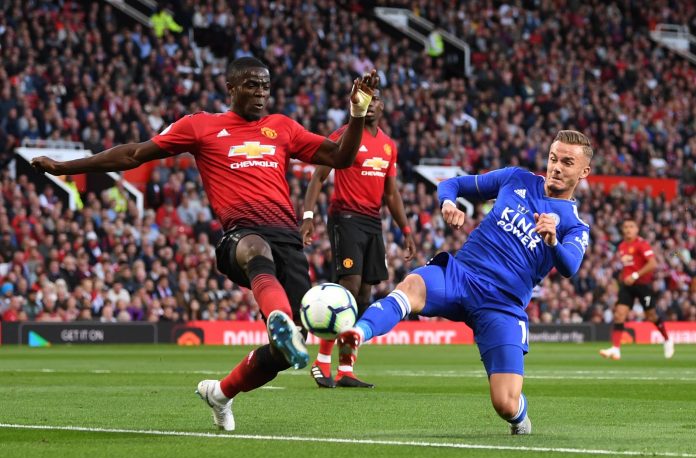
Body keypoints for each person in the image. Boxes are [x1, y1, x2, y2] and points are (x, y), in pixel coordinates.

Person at [31, 56, 379, 431]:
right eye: (250, 84)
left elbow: (342, 157)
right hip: (239, 236)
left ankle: (220, 393)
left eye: (264, 85)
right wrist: (66, 168)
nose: (260, 92)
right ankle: (276, 317)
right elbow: (133, 154)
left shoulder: (282, 128)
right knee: (255, 250)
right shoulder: (201, 126)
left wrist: (357, 113)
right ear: (231, 88)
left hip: (288, 242)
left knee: (283, 353)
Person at [336, 130, 594, 435]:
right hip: (461, 276)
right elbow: (452, 184)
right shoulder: (516, 179)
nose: (557, 167)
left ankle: (520, 419)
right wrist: (448, 203)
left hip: (503, 305)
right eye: (553, 158)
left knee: (505, 403)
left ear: (583, 171)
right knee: (411, 287)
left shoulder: (575, 226)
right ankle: (358, 333)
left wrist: (552, 241)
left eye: (567, 162)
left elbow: (570, 267)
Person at [300, 89, 416, 388]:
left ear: (382, 106)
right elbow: (318, 177)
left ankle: (345, 370)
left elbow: (391, 193)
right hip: (345, 217)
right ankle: (321, 361)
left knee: (364, 297)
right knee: (348, 287)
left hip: (373, 222)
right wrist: (309, 216)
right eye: (369, 99)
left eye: (377, 99)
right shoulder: (345, 134)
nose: (373, 104)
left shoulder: (389, 146)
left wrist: (405, 230)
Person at [599, 219, 673, 360]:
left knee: (651, 316)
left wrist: (635, 275)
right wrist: (621, 279)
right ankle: (616, 349)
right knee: (619, 314)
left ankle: (667, 339)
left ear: (637, 229)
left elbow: (653, 263)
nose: (628, 229)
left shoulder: (642, 244)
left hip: (642, 285)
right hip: (627, 286)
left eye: (631, 226)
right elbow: (626, 267)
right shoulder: (621, 246)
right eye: (625, 226)